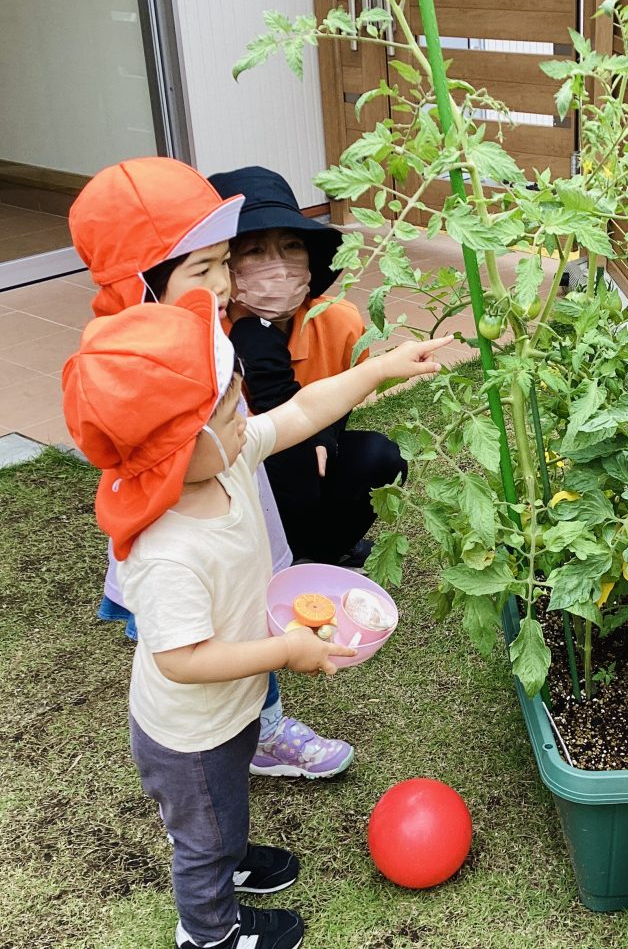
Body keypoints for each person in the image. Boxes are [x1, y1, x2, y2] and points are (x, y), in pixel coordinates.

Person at [62, 286, 451, 949]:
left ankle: (230, 853)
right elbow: (180, 659)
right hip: (189, 736)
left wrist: (377, 371)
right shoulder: (167, 550)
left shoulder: (226, 460)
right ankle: (210, 930)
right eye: (228, 406)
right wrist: (285, 650)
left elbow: (302, 410)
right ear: (172, 449)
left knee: (224, 806)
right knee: (201, 833)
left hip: (228, 714)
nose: (246, 410)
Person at [68, 157, 352, 778]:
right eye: (204, 267)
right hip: (193, 504)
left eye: (225, 261)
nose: (223, 283)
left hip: (228, 478)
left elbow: (278, 414)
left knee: (243, 598)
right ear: (139, 284)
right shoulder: (134, 358)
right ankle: (247, 727)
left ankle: (256, 716)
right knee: (202, 621)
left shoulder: (207, 322)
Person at [207, 166, 406, 567]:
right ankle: (263, 564)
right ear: (224, 265)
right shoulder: (207, 337)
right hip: (229, 478)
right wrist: (253, 338)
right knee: (288, 454)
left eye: (291, 245)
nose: (278, 266)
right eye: (254, 250)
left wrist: (326, 436)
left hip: (303, 466)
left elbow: (336, 413)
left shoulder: (339, 322)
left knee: (377, 457)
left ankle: (318, 557)